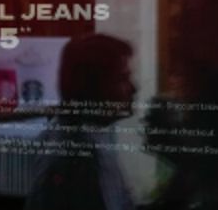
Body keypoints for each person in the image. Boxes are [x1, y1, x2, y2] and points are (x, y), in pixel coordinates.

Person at [25, 33, 137, 210]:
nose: (133, 88)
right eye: (122, 79)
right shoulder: (80, 158)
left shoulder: (91, 139)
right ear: (93, 86)